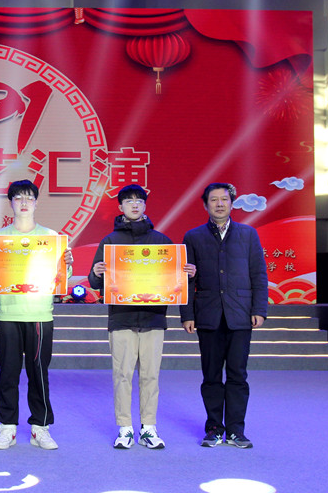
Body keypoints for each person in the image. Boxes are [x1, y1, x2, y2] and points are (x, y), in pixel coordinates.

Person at [87, 184, 196, 450]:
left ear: (145, 206)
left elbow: (174, 279)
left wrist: (186, 273)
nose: (134, 205)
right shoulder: (110, 242)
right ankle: (124, 428)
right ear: (120, 207)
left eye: (139, 200)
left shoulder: (162, 242)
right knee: (122, 375)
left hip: (153, 318)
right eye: (129, 201)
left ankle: (148, 428)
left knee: (150, 375)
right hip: (122, 318)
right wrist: (97, 272)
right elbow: (95, 282)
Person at [0, 180, 73, 450]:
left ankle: (40, 427)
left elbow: (61, 279)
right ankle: (7, 427)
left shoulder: (51, 238)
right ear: (10, 203)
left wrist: (66, 266)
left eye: (29, 198)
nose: (23, 202)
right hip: (8, 314)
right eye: (18, 198)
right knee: (8, 373)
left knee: (38, 373)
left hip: (40, 313)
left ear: (36, 203)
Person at [180, 182, 268, 449]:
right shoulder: (193, 236)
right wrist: (187, 314)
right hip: (208, 315)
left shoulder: (248, 234)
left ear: (232, 203)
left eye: (224, 199)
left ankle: (236, 430)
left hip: (240, 315)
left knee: (238, 375)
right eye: (214, 200)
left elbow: (259, 275)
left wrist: (259, 309)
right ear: (205, 204)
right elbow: (186, 280)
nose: (219, 204)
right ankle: (214, 428)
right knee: (211, 376)